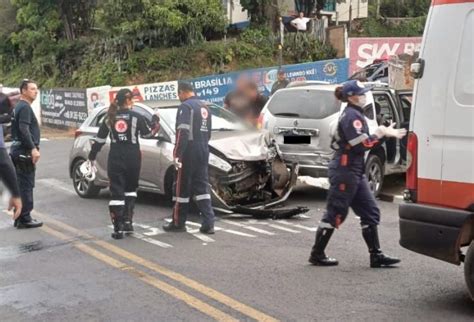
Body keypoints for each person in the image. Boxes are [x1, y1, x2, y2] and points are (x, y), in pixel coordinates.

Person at [308, 80, 407, 268]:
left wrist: (383, 132)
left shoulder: (357, 114)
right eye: (361, 94)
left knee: (370, 211)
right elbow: (361, 144)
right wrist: (380, 133)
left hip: (355, 170)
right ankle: (317, 254)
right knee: (336, 212)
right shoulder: (351, 116)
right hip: (345, 170)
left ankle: (376, 255)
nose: (364, 96)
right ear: (352, 96)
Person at [88, 88, 160, 239]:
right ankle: (128, 223)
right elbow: (149, 134)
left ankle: (118, 229)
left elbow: (100, 140)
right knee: (131, 189)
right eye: (132, 99)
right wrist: (155, 122)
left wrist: (92, 156)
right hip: (133, 157)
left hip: (115, 157)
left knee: (116, 192)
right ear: (128, 101)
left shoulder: (109, 118)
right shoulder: (137, 117)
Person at [162, 82, 215, 234]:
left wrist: (177, 154)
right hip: (203, 148)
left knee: (181, 187)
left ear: (183, 92)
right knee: (202, 186)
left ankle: (178, 222)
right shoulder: (205, 107)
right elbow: (209, 133)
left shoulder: (186, 107)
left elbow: (182, 132)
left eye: (179, 94)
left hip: (188, 151)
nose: (179, 98)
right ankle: (208, 222)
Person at [10, 79, 42, 229]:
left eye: (36, 89)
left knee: (21, 184)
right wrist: (33, 148)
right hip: (23, 152)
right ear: (23, 91)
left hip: (18, 150)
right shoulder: (24, 108)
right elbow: (23, 130)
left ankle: (20, 216)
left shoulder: (20, 106)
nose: (35, 91)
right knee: (26, 185)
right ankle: (24, 217)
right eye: (32, 89)